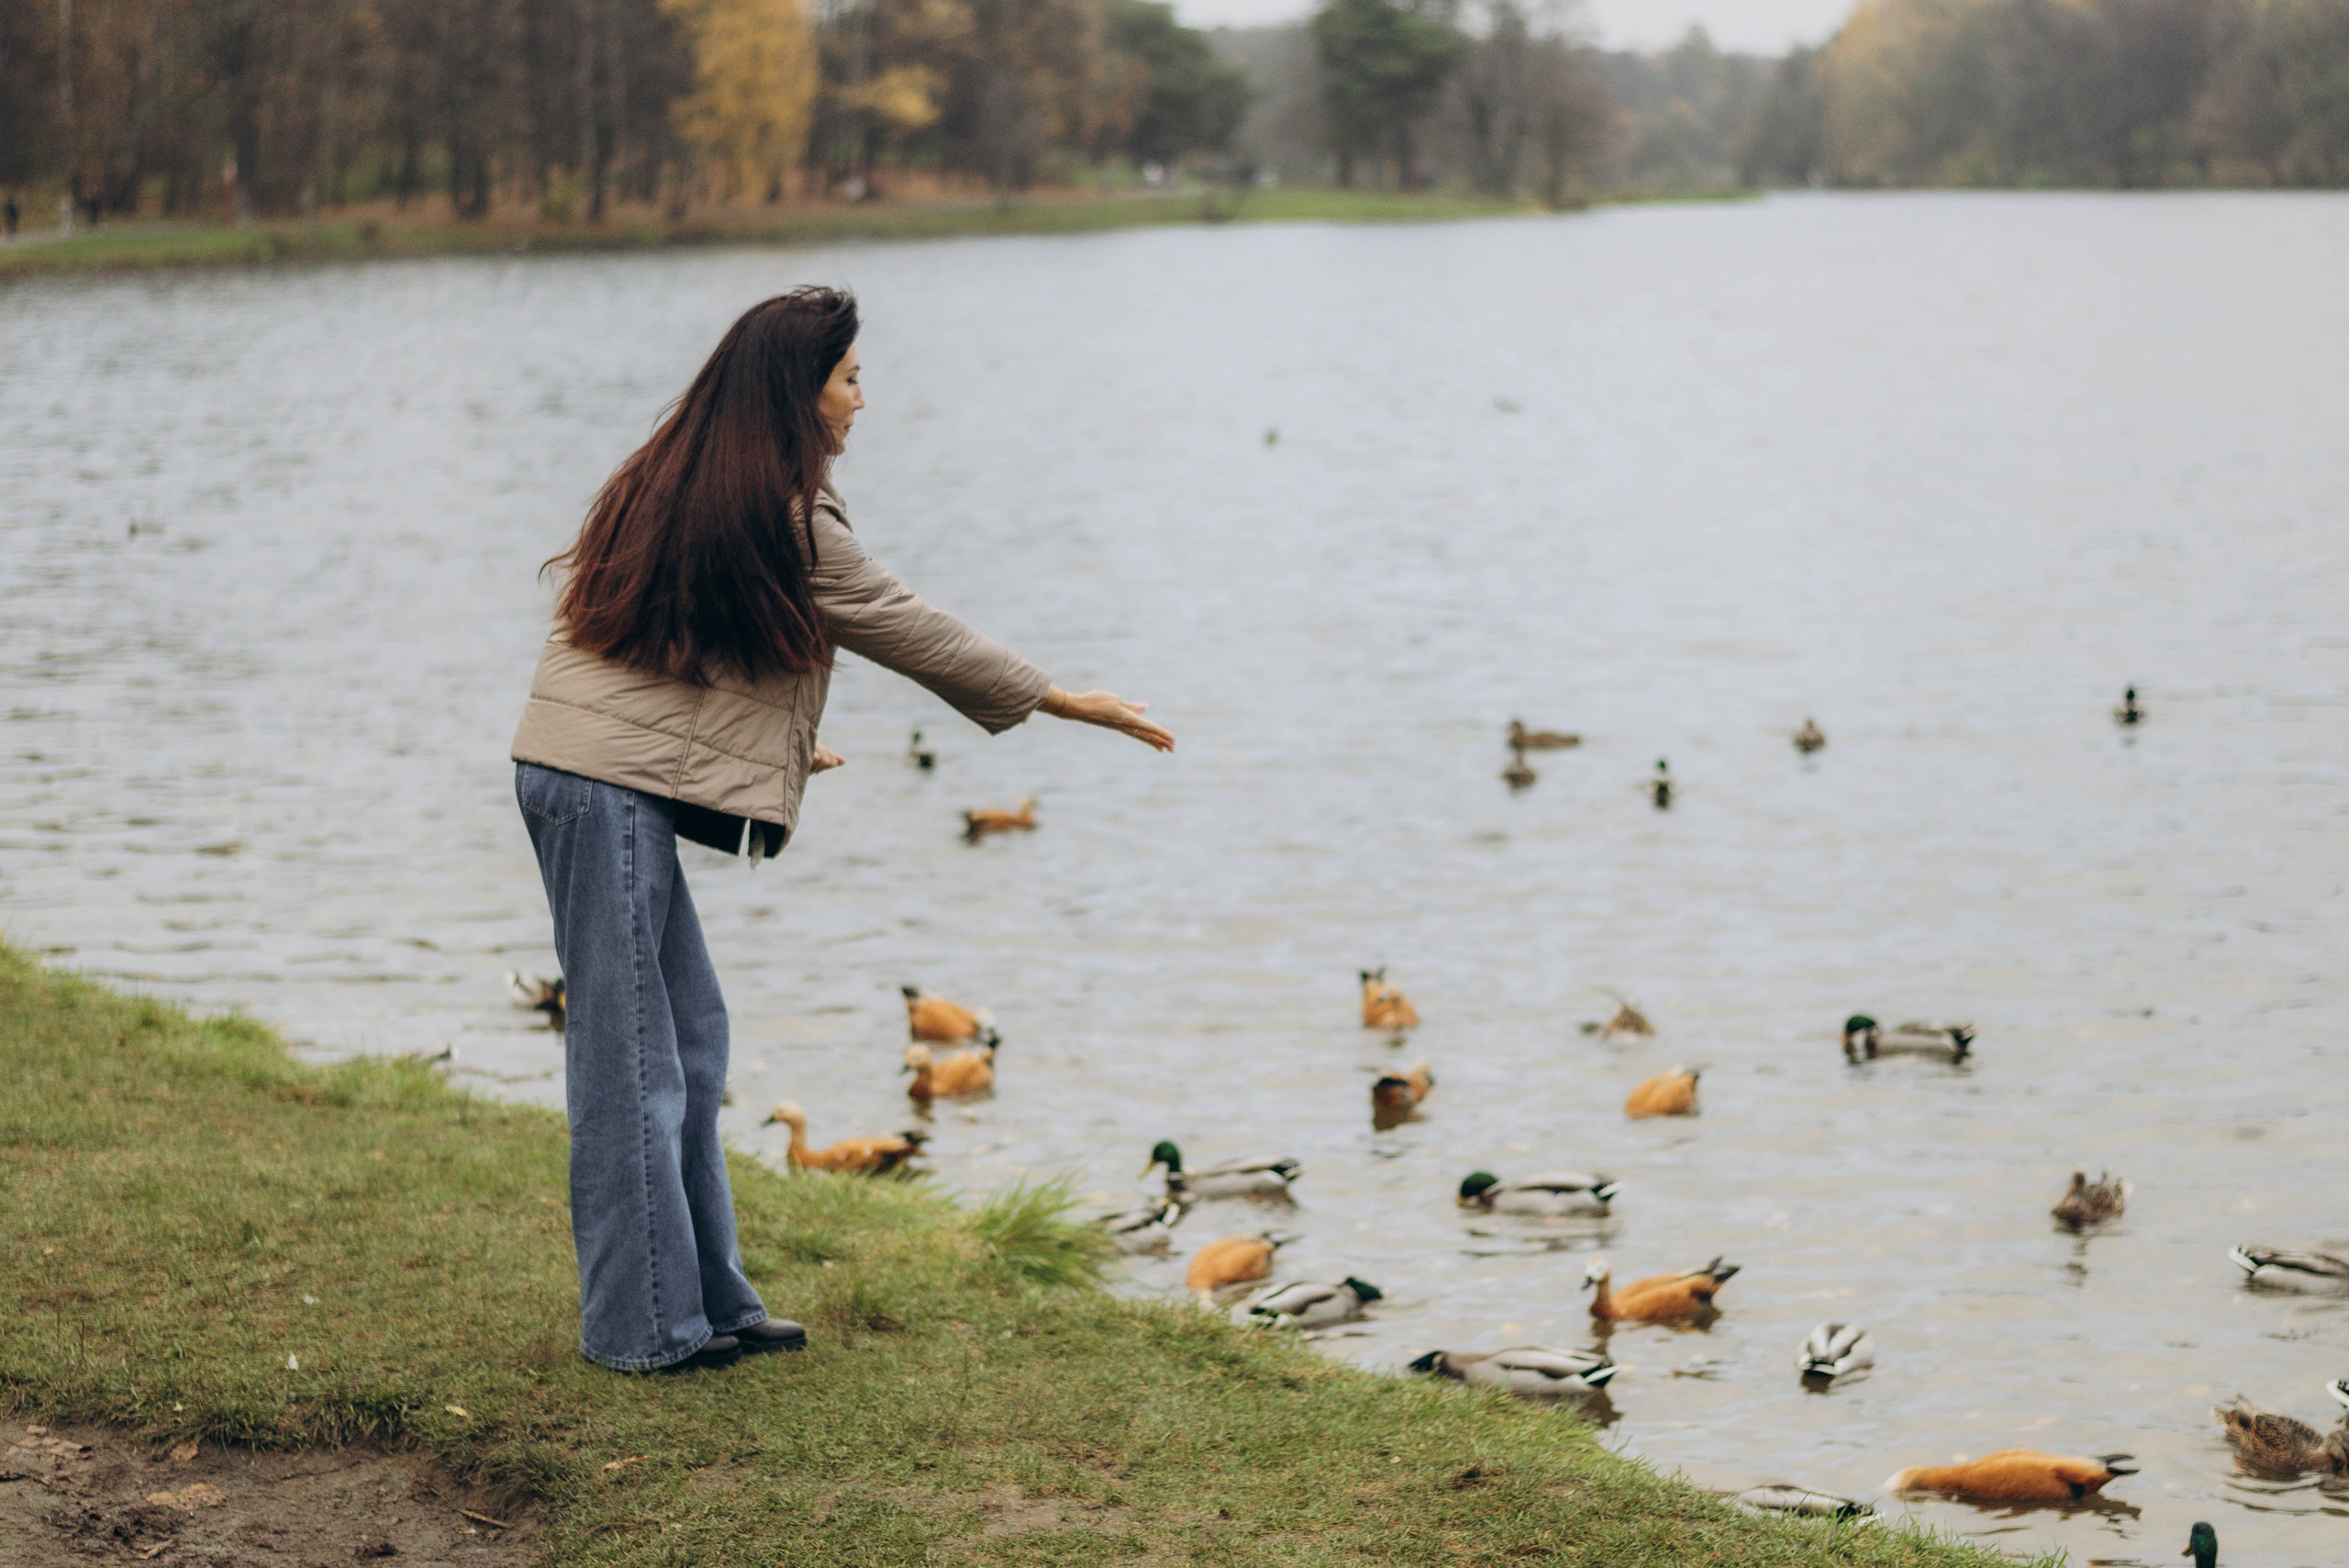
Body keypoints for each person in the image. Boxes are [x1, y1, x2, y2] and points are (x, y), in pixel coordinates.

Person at [510, 287, 1173, 1373]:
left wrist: (778, 742)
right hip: (599, 787)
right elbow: (902, 620)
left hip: (594, 777)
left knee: (691, 1042)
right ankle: (642, 1328)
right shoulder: (777, 511)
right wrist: (1057, 697)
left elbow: (675, 640)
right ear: (798, 389)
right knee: (633, 1066)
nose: (864, 398)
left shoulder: (693, 479)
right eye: (851, 377)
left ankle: (706, 1299)